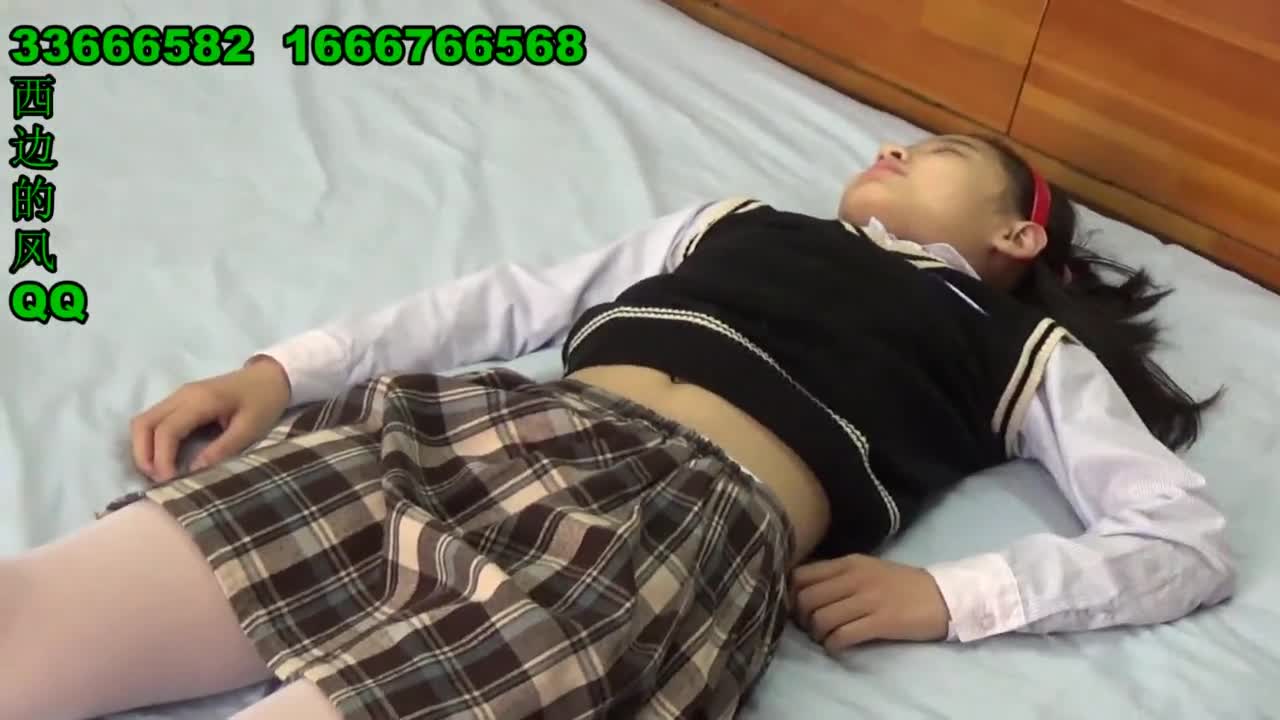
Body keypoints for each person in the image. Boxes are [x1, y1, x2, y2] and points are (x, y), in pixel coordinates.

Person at [0, 134, 1235, 720]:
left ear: (1017, 231)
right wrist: (286, 370)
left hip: (661, 545)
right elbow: (510, 302)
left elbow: (1180, 539)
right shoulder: (734, 223)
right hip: (465, 435)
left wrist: (950, 598)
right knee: (26, 624)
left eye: (935, 150)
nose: (888, 145)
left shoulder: (1016, 347)